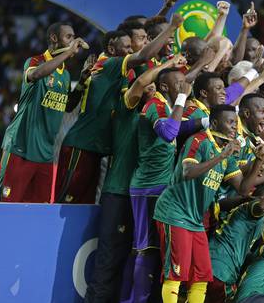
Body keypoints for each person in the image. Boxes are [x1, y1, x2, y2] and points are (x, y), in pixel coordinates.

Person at [82, 55, 183, 303]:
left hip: (141, 191)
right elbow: (141, 82)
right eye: (149, 82)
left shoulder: (157, 110)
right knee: (110, 257)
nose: (151, 87)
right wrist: (163, 65)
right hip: (119, 190)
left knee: (138, 255)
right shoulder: (129, 106)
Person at [151, 104, 264, 303]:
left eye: (236, 123)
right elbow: (188, 172)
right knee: (175, 273)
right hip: (175, 213)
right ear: (214, 123)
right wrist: (222, 156)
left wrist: (260, 161)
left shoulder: (226, 151)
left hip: (195, 220)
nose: (235, 127)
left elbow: (243, 189)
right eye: (229, 122)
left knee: (202, 274)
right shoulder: (199, 141)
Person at [56, 15, 184, 204]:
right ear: (111, 48)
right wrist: (172, 28)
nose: (130, 51)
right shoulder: (108, 64)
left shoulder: (120, 70)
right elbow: (143, 55)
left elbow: (143, 44)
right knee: (66, 202)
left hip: (97, 147)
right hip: (82, 145)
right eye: (127, 48)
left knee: (83, 205)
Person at [0, 22, 88, 203]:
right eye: (68, 37)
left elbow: (68, 106)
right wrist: (69, 52)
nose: (73, 41)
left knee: (39, 211)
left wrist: (82, 81)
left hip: (46, 154)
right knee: (8, 206)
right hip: (20, 147)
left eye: (73, 37)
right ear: (54, 39)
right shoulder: (35, 62)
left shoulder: (64, 75)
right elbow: (37, 74)